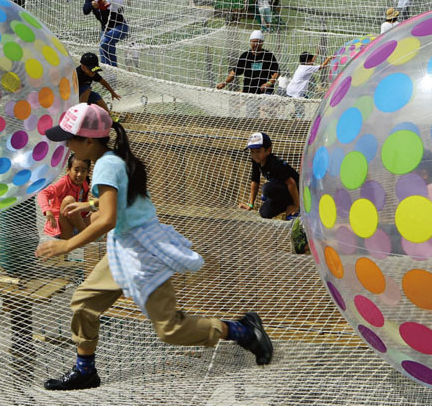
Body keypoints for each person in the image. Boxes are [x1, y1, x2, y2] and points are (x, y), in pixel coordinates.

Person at [36, 103, 272, 390]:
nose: (66, 144)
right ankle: (85, 370)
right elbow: (120, 199)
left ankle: (241, 330)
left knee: (170, 330)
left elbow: (108, 219)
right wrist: (90, 203)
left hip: (142, 251)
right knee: (84, 302)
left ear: (88, 141)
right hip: (123, 248)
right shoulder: (112, 159)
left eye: (69, 138)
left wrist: (66, 245)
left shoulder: (105, 166)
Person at [238, 132, 300, 220]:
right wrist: (251, 204)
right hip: (283, 192)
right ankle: (286, 204)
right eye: (252, 152)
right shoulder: (256, 161)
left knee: (267, 188)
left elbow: (292, 183)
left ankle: (297, 206)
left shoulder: (274, 164)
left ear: (268, 151)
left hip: (297, 190)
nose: (255, 155)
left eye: (258, 151)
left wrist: (296, 205)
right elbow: (255, 181)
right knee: (264, 213)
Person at [37, 154, 91, 242]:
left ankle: (86, 235)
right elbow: (43, 193)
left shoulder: (84, 185)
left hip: (77, 224)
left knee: (99, 213)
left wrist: (93, 206)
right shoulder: (64, 183)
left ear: (88, 172)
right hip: (61, 227)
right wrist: (47, 210)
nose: (79, 174)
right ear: (68, 170)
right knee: (69, 200)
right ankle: (86, 235)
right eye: (76, 170)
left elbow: (84, 209)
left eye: (83, 171)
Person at [84, 0, 129, 67]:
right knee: (104, 51)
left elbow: (120, 2)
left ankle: (113, 71)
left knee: (104, 43)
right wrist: (92, 5)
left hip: (120, 27)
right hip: (105, 30)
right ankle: (111, 76)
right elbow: (85, 10)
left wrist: (107, 1)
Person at [216, 31, 280, 95]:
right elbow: (234, 72)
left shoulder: (268, 55)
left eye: (258, 42)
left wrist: (269, 83)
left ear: (262, 42)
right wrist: (224, 83)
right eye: (253, 41)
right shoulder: (245, 56)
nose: (255, 44)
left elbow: (276, 72)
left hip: (265, 91)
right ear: (250, 42)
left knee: (264, 105)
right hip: (248, 92)